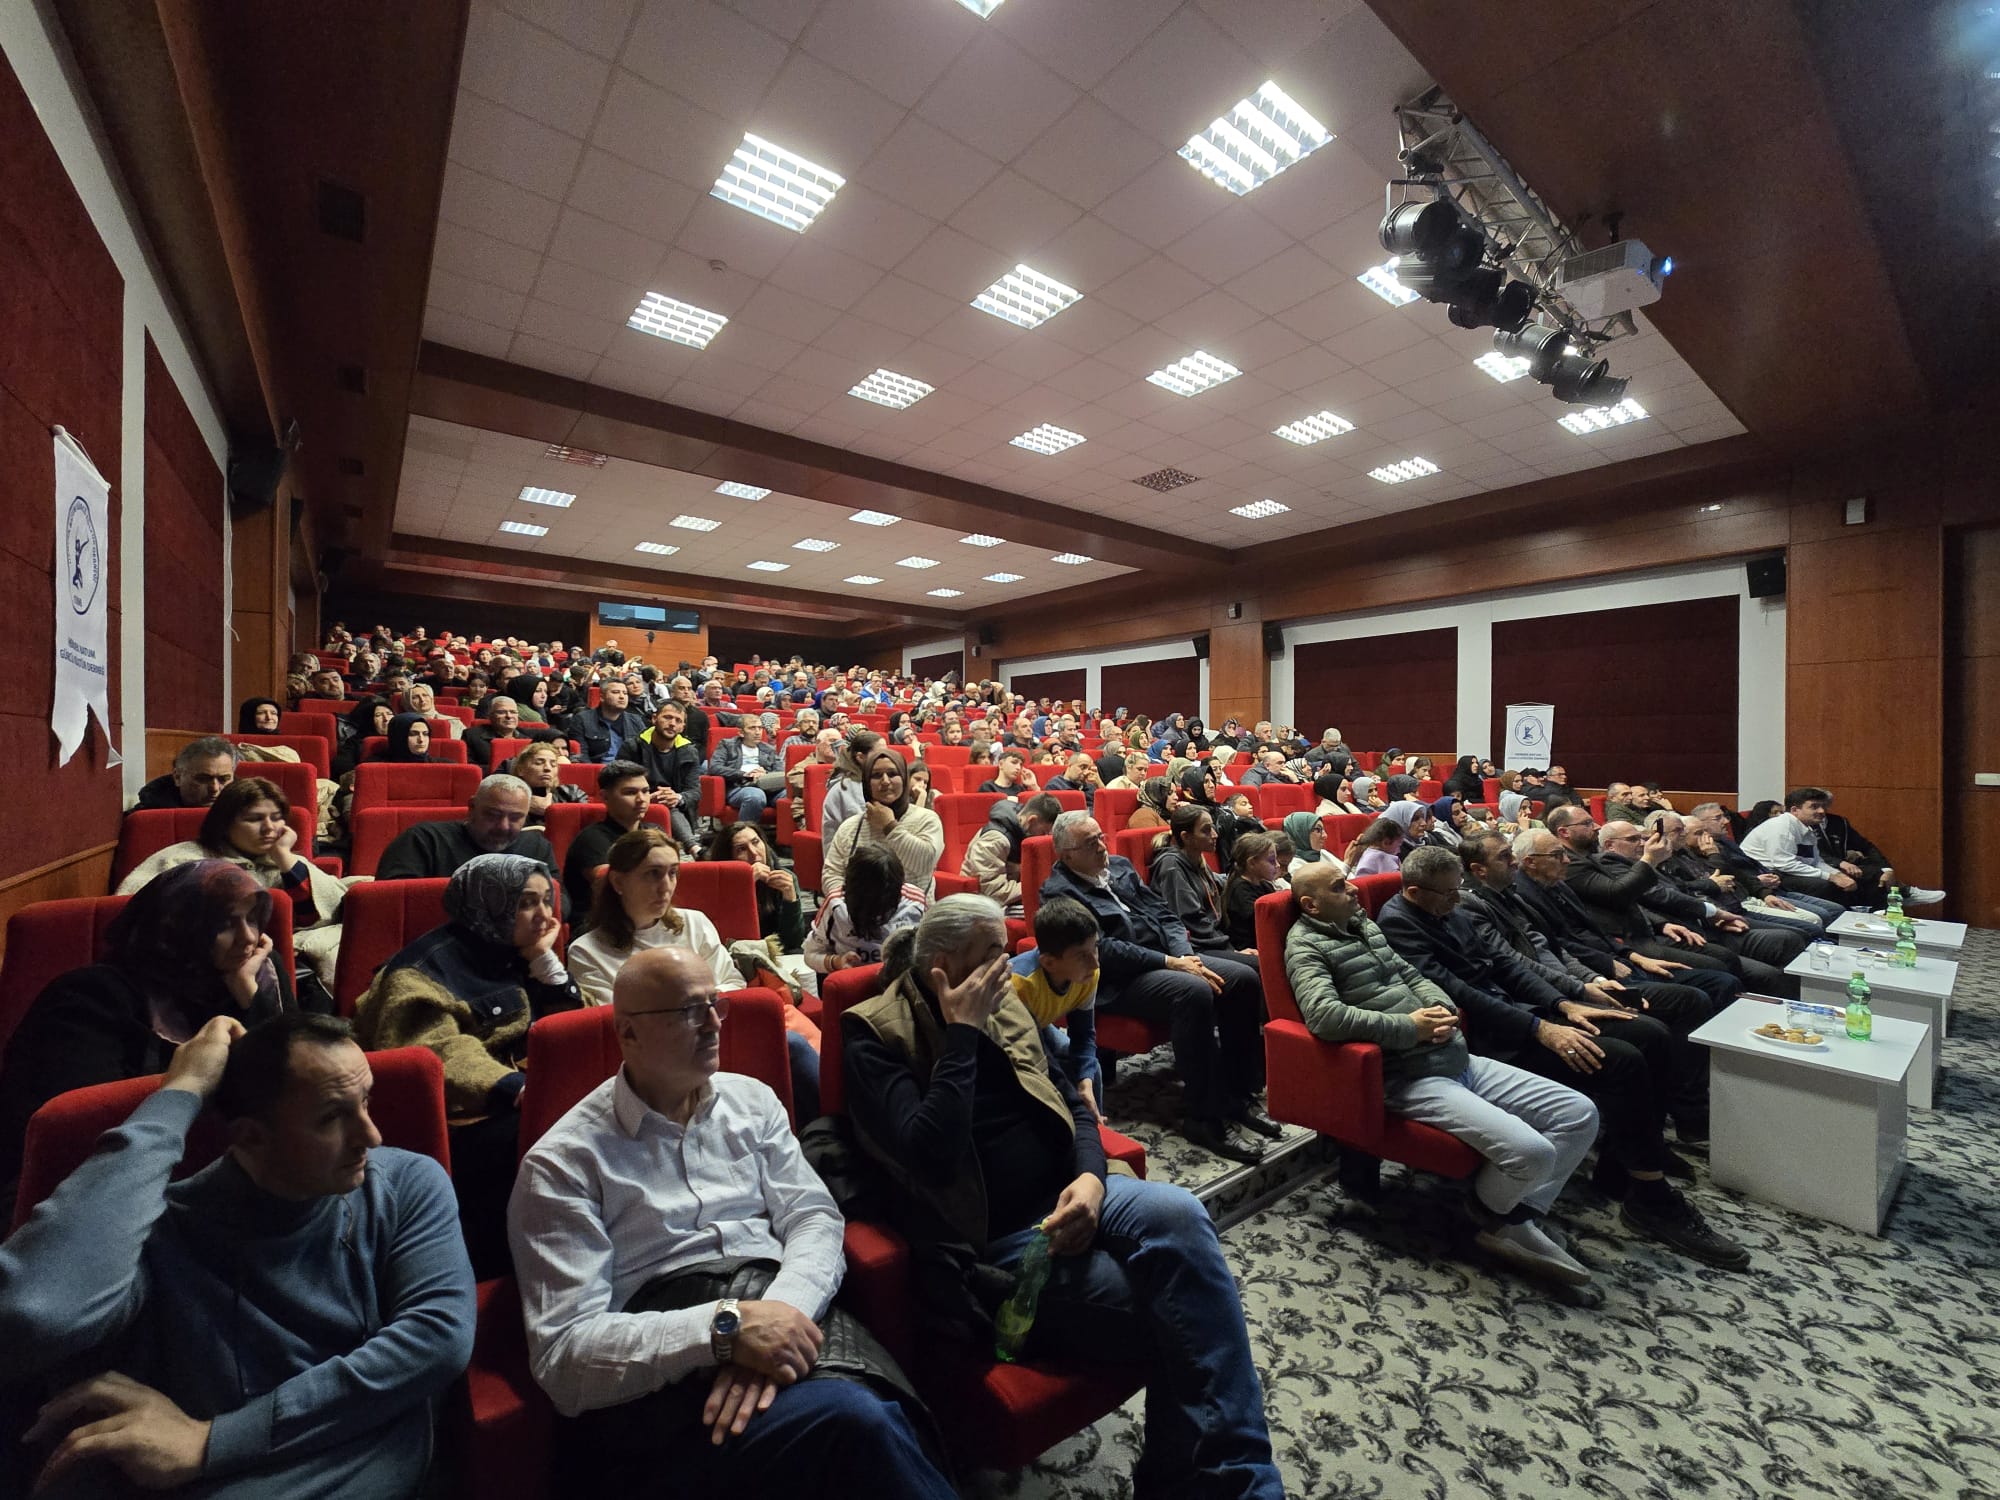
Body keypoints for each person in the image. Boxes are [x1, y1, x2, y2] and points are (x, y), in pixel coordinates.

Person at [841, 897, 1284, 1499]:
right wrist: (962, 1035)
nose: (1008, 964)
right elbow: (931, 1156)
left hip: (1074, 1190)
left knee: (1184, 1213)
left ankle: (1226, 1483)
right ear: (944, 963)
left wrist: (1092, 1176)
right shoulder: (873, 1030)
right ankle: (1212, 1486)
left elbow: (1074, 1104)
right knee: (1182, 1309)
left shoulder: (1007, 1004)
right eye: (994, 953)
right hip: (996, 1242)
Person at [507, 948, 953, 1494]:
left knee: (884, 1420)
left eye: (715, 1004)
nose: (715, 1023)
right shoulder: (563, 1163)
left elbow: (813, 1218)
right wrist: (725, 1332)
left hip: (782, 1300)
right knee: (860, 1425)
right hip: (665, 1362)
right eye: (689, 1011)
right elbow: (564, 1358)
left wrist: (775, 1320)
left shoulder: (752, 1101)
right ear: (628, 1033)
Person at [0, 1013, 475, 1499]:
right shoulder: (162, 1232)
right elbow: (34, 1311)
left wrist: (211, 1442)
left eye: (366, 1100)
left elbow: (438, 1337)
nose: (371, 1136)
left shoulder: (405, 1183)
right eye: (332, 1117)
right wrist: (179, 1093)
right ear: (249, 1136)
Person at [1377, 847, 1747, 1268]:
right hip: (1493, 1034)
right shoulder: (1398, 925)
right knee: (1622, 1060)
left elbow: (1505, 965)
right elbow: (1460, 994)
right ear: (1414, 891)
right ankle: (1650, 1196)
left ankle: (1622, 1164)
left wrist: (1563, 1004)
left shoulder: (1450, 908)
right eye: (1446, 893)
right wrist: (1541, 1028)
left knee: (1652, 1034)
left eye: (1457, 888)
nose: (1457, 898)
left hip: (1524, 1012)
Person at [1285, 861, 1599, 1288]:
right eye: (1341, 887)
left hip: (1454, 1054)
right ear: (1312, 904)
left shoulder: (1364, 926)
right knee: (1534, 1153)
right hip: (1408, 1074)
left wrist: (1442, 1008)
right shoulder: (1305, 946)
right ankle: (1494, 1220)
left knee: (1579, 1114)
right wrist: (1409, 1027)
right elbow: (1323, 1017)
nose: (1355, 891)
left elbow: (1410, 973)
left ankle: (1513, 1216)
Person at [0, 861, 290, 1209]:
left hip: (228, 1178)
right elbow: (79, 1138)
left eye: (253, 918)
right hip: (101, 1193)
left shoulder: (257, 977)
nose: (248, 938)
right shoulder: (89, 997)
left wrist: (250, 1000)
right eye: (226, 923)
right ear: (179, 928)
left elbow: (297, 1086)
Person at [353, 853, 582, 1274]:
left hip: (523, 1094)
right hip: (461, 1116)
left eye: (547, 900)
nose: (545, 915)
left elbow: (568, 1027)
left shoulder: (514, 952)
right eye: (526, 903)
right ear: (486, 904)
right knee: (551, 1135)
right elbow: (440, 1052)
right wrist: (517, 1089)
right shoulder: (416, 975)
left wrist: (545, 961)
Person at [1039, 813, 1274, 1163]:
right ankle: (1202, 1114)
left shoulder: (1118, 866)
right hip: (1118, 979)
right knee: (1192, 991)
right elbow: (1103, 949)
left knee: (1243, 979)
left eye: (1101, 836)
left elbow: (1164, 913)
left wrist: (1184, 954)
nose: (1102, 846)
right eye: (1091, 843)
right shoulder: (1059, 891)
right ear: (1066, 854)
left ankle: (1235, 1092)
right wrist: (1171, 963)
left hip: (1167, 957)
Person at [1461, 830, 1721, 1139]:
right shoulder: (1474, 904)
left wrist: (1591, 979)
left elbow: (1556, 946)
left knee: (1684, 1005)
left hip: (1583, 978)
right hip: (1545, 1000)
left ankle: (1666, 1127)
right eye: (1505, 856)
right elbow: (1515, 963)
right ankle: (1645, 1152)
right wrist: (1580, 989)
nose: (1513, 861)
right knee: (1651, 1031)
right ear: (1479, 870)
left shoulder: (1512, 892)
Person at [117, 774, 345, 985]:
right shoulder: (185, 859)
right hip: (197, 971)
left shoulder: (283, 860)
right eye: (254, 819)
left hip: (282, 966)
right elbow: (136, 917)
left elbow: (323, 913)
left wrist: (284, 857)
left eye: (276, 818)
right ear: (225, 824)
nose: (269, 828)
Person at [1563, 813, 1802, 996]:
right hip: (1647, 939)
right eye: (1634, 839)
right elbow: (1640, 896)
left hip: (1701, 919)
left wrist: (1663, 922)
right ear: (1610, 846)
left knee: (1792, 937)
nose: (1643, 843)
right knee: (1736, 969)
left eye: (1644, 838)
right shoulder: (1609, 862)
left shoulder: (1668, 857)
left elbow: (1674, 890)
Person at [1741, 786, 1943, 905]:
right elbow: (1784, 864)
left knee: (1861, 877)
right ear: (1794, 809)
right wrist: (1832, 876)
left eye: (1823, 807)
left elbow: (1815, 861)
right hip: (1768, 875)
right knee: (1828, 885)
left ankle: (1885, 912)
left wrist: (1837, 874)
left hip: (1787, 870)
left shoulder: (1807, 828)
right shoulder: (1782, 827)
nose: (1821, 811)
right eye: (1814, 807)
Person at [1008, 895, 1103, 1120]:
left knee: (1091, 1071)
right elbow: (1026, 1055)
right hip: (1011, 1040)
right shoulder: (1018, 984)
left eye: (1096, 948)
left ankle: (1096, 1129)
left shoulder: (1089, 974)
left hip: (1039, 1025)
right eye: (1082, 956)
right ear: (1049, 962)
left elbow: (1084, 1034)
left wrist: (1085, 1083)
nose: (1095, 963)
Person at [374, 773, 556, 882]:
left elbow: (560, 902)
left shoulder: (537, 847)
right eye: (493, 815)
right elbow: (393, 903)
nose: (503, 826)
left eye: (516, 818)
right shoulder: (423, 840)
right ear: (472, 807)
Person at [822, 748, 946, 899]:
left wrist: (890, 826)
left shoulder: (926, 819)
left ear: (904, 779)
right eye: (876, 775)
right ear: (866, 783)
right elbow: (831, 874)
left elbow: (924, 864)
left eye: (893, 774)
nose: (885, 781)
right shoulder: (851, 826)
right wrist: (850, 904)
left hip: (913, 917)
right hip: (857, 915)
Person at [1148, 804, 1252, 961]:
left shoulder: (1196, 859)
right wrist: (1232, 950)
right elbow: (1192, 921)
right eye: (1206, 830)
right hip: (1196, 946)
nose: (1215, 835)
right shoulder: (1172, 867)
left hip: (1215, 938)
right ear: (1186, 837)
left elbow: (1219, 881)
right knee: (1255, 968)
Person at [805, 843, 927, 975]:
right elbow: (810, 954)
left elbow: (929, 954)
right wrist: (837, 962)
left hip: (899, 985)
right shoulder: (836, 905)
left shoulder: (915, 902)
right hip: (854, 984)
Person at [701, 821, 807, 953]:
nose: (754, 852)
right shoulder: (717, 885)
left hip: (773, 951)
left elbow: (792, 941)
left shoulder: (785, 878)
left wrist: (790, 899)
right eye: (741, 849)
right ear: (729, 857)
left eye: (756, 842)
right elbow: (722, 938)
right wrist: (745, 886)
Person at [960, 792, 1062, 915]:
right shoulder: (994, 841)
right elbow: (995, 893)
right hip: (982, 906)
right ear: (1032, 820)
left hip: (1012, 899)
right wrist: (1038, 882)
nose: (1045, 838)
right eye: (1043, 832)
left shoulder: (1022, 830)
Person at [636, 700, 702, 846]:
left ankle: (693, 846)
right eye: (667, 717)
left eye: (678, 721)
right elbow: (621, 784)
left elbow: (694, 792)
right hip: (639, 804)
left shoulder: (689, 751)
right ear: (654, 719)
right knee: (663, 804)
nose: (672, 723)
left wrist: (678, 797)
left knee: (667, 803)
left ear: (682, 727)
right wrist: (647, 797)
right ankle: (694, 847)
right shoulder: (634, 746)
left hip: (675, 807)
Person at [132, 735, 239, 811]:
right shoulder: (147, 817)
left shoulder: (247, 811)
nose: (214, 788)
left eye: (224, 779)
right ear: (177, 777)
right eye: (203, 779)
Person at [709, 719, 785, 823]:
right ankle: (745, 834)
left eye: (760, 728)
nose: (758, 732)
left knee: (790, 796)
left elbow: (780, 770)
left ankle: (786, 837)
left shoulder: (768, 749)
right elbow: (715, 767)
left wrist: (765, 775)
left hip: (767, 787)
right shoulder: (727, 745)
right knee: (755, 796)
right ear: (741, 732)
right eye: (752, 728)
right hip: (739, 786)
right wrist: (744, 774)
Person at [1223, 831, 1285, 951]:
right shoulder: (1240, 890)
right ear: (1252, 862)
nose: (1277, 865)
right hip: (1250, 948)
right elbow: (1266, 923)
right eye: (1271, 861)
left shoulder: (1264, 885)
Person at [821, 728, 885, 845]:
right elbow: (866, 827)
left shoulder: (872, 781)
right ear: (860, 757)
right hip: (847, 854)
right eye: (880, 755)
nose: (886, 759)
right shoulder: (848, 786)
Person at [465, 695, 563, 771]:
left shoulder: (529, 736)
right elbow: (470, 769)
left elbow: (554, 734)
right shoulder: (472, 736)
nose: (509, 716)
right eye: (501, 712)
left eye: (513, 712)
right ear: (490, 716)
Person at [569, 678, 649, 765]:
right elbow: (581, 755)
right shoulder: (582, 719)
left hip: (630, 772)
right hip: (598, 771)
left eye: (625, 693)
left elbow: (646, 752)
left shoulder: (635, 720)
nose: (622, 696)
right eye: (615, 692)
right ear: (602, 697)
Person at [513, 740, 588, 827]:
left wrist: (552, 811)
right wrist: (523, 805)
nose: (547, 768)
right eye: (539, 763)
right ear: (521, 770)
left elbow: (584, 824)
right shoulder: (510, 798)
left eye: (553, 764)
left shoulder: (572, 793)